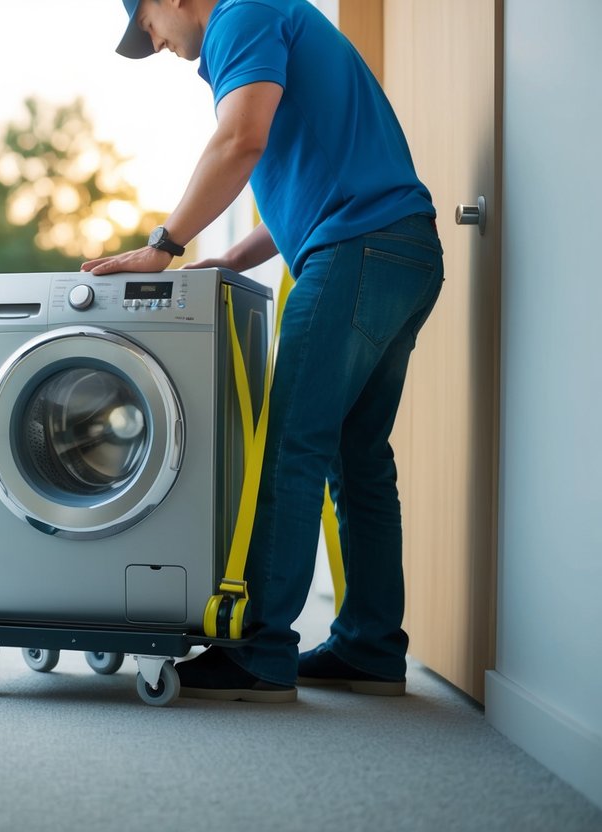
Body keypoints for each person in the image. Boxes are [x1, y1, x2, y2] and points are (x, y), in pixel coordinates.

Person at [81, 0, 444, 703]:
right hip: (400, 249)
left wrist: (163, 245)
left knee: (289, 447)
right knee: (357, 459)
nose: (153, 43)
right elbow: (310, 177)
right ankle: (370, 648)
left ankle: (255, 651)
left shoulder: (240, 16)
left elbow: (239, 141)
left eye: (147, 25)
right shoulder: (273, 17)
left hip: (355, 250)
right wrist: (234, 258)